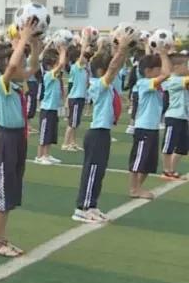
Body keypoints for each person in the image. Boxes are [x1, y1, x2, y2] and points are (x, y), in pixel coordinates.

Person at [0, 17, 42, 257]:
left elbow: (33, 67)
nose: (23, 69)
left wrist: (36, 45)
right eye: (19, 64)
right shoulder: (3, 84)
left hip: (18, 139)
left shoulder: (18, 85)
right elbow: (11, 68)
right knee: (2, 193)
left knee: (11, 191)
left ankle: (2, 238)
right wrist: (24, 39)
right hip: (6, 141)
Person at [72, 35, 132, 223]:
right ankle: (82, 208)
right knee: (92, 170)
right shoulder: (98, 84)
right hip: (96, 133)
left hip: (103, 133)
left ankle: (92, 205)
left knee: (99, 171)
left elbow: (117, 65)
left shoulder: (109, 82)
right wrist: (121, 48)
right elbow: (113, 68)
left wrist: (123, 50)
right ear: (101, 70)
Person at [127, 44, 172, 198]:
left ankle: (138, 187)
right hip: (143, 128)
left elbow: (167, 74)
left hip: (153, 128)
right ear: (148, 72)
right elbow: (166, 74)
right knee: (138, 161)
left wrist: (160, 53)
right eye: (157, 69)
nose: (160, 71)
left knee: (149, 163)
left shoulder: (157, 85)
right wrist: (164, 55)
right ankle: (134, 189)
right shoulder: (144, 83)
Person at [35, 44, 68, 165]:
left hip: (54, 109)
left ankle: (47, 154)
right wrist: (63, 51)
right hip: (47, 109)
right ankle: (40, 156)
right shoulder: (49, 75)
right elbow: (61, 65)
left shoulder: (56, 75)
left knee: (51, 134)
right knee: (44, 133)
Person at [160, 52, 189, 180]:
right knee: (169, 145)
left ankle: (172, 169)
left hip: (184, 117)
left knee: (183, 147)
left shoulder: (183, 79)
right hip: (174, 117)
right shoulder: (174, 80)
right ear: (176, 67)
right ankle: (166, 171)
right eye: (186, 65)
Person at [62, 46, 90, 151]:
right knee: (72, 123)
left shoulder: (83, 69)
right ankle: (65, 143)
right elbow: (82, 54)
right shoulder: (76, 67)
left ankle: (73, 143)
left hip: (80, 98)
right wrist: (86, 39)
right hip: (76, 98)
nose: (86, 59)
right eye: (83, 57)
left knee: (75, 123)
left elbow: (87, 84)